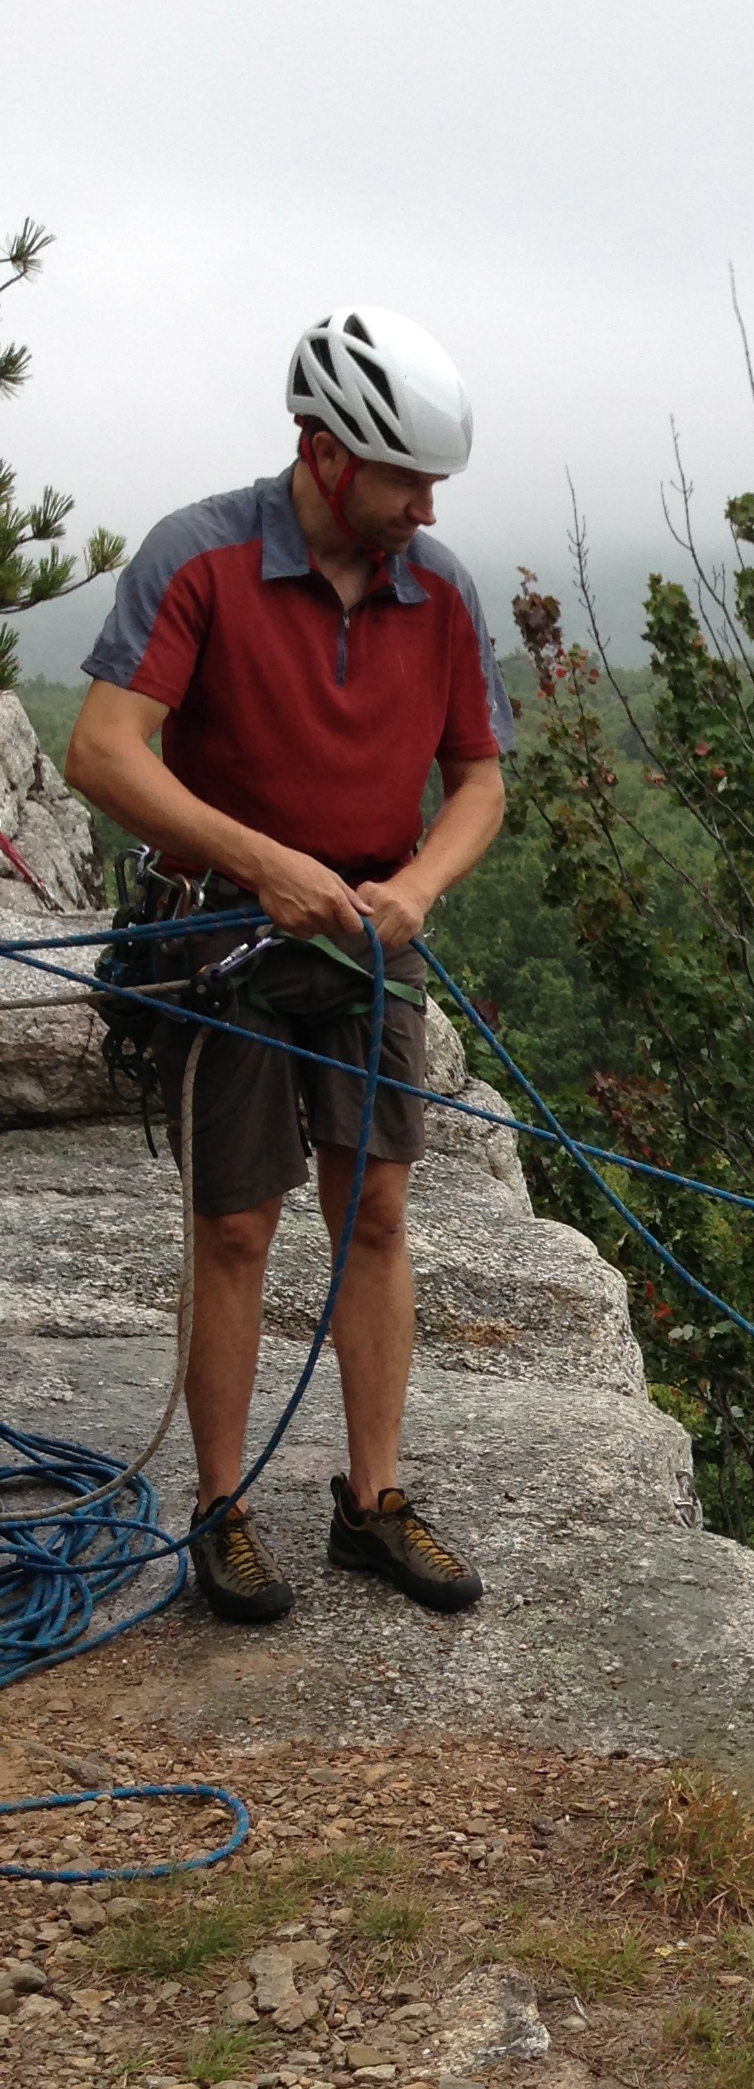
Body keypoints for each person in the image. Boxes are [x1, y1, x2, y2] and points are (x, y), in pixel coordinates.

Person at [65, 306, 514, 1625]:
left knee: (375, 1212)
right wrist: (259, 862)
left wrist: (417, 888)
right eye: (405, 480)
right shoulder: (200, 560)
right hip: (229, 933)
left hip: (368, 934)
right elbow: (103, 749)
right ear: (324, 452)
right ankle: (221, 1510)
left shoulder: (438, 590)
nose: (426, 508)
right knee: (236, 1223)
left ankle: (372, 1501)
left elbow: (481, 780)